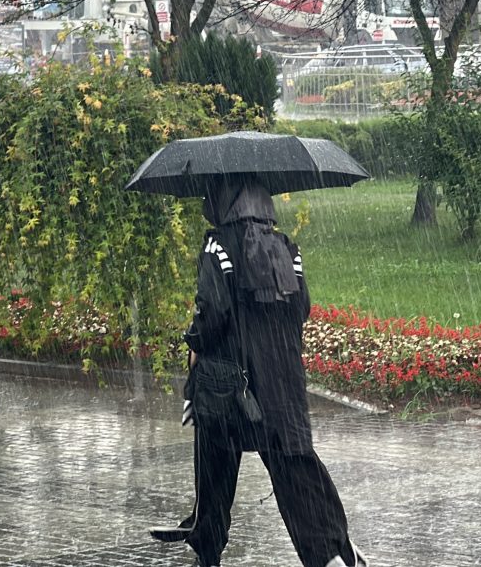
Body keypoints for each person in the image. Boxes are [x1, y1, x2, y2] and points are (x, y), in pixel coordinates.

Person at [151, 177, 367, 567]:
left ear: (224, 201)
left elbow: (212, 313)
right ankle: (331, 549)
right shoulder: (286, 248)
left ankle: (208, 547)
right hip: (282, 380)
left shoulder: (218, 247)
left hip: (229, 384)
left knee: (215, 463)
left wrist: (195, 344)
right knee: (295, 466)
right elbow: (301, 307)